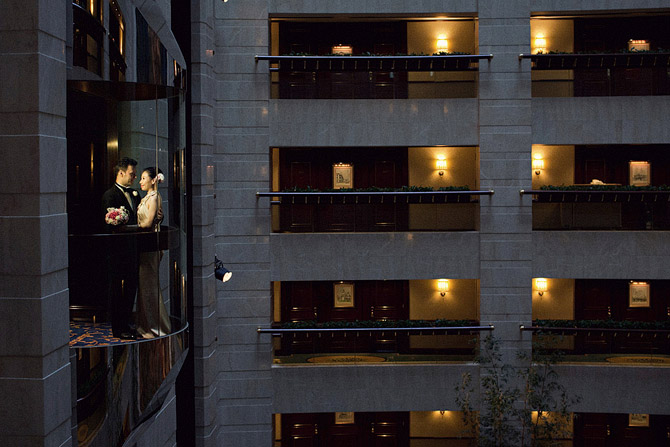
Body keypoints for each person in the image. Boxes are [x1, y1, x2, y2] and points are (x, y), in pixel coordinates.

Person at [101, 157, 140, 339]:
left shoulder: (135, 194)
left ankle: (127, 324)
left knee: (131, 287)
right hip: (117, 252)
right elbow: (108, 225)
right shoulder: (110, 195)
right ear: (121, 172)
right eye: (132, 174)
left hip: (133, 250)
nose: (134, 177)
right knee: (118, 290)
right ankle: (118, 328)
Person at [136, 167, 171, 338]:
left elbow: (149, 223)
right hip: (145, 246)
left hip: (150, 246)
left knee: (149, 286)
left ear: (153, 180)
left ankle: (157, 327)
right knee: (145, 286)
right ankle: (147, 325)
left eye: (143, 178)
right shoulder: (148, 197)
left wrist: (131, 228)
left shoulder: (155, 197)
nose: (140, 181)